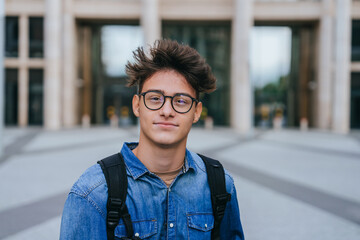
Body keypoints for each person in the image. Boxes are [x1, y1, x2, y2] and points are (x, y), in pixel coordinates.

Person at [60, 39, 245, 239]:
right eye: (155, 98)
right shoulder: (93, 193)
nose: (167, 111)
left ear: (196, 112)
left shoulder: (219, 186)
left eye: (181, 101)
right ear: (137, 105)